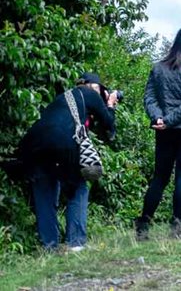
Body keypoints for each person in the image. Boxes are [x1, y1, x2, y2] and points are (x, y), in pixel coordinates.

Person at [16, 73, 118, 251]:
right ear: (94, 87)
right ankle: (76, 243)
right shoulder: (89, 94)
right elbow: (109, 126)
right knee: (78, 189)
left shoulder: (64, 99)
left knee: (45, 193)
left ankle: (50, 246)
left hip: (32, 146)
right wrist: (109, 105)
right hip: (61, 144)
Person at [137, 26, 181, 241]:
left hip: (165, 130)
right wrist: (168, 121)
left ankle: (144, 224)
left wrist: (160, 119)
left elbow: (149, 97)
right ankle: (176, 225)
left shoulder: (158, 67)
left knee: (160, 177)